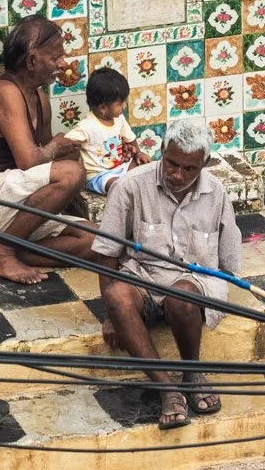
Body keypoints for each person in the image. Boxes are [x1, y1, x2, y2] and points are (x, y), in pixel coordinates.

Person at [92, 115, 243, 430]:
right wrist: (110, 311)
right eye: (171, 163)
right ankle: (167, 389)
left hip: (193, 285)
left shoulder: (216, 194)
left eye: (189, 169)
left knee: (182, 297)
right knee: (118, 296)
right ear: (162, 149)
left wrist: (211, 292)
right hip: (143, 278)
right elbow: (106, 253)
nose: (177, 174)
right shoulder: (130, 187)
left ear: (204, 163)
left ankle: (192, 373)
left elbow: (229, 266)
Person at [0, 18, 98, 284]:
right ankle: (4, 252)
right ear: (31, 61)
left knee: (97, 242)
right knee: (71, 172)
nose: (63, 64)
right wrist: (55, 148)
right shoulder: (5, 92)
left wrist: (73, 149)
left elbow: (44, 168)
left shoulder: (40, 99)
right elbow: (30, 161)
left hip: (8, 211)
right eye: (56, 57)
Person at [69, 66, 137, 191]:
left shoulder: (119, 119)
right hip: (99, 176)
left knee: (144, 168)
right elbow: (67, 142)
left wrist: (138, 153)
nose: (125, 106)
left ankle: (128, 184)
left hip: (121, 168)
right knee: (116, 185)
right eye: (120, 103)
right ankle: (125, 188)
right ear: (103, 108)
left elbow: (131, 138)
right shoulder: (87, 126)